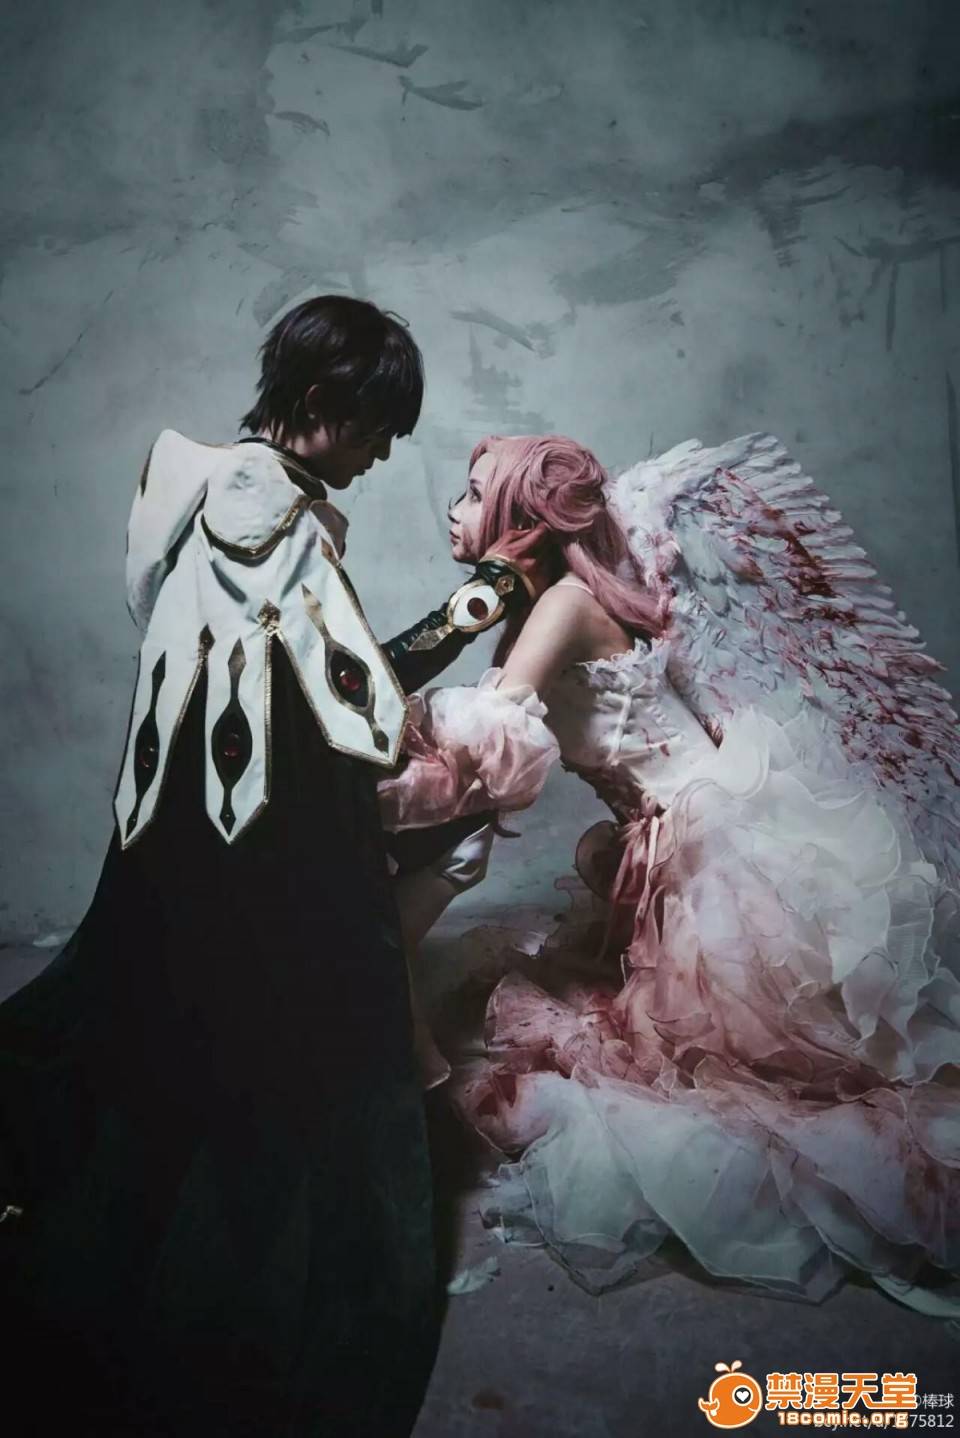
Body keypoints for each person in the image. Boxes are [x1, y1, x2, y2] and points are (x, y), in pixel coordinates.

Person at [0, 297, 546, 1437]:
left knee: (156, 1049)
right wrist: (487, 597)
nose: (383, 455)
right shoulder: (270, 517)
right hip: (262, 866)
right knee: (306, 1090)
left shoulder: (202, 493)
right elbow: (364, 701)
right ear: (318, 406)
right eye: (376, 428)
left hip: (169, 847)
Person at [380, 431, 960, 1315]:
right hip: (673, 840)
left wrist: (366, 754)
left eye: (472, 495)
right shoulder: (552, 607)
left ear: (517, 521)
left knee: (770, 1086)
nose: (454, 511)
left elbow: (488, 734)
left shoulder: (562, 606)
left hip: (715, 850)